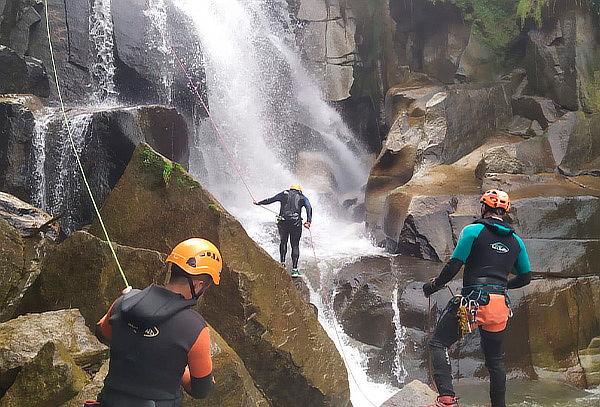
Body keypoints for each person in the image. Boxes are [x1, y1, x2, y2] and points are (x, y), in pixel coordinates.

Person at [422, 190, 532, 407]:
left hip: (474, 302)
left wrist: (433, 286)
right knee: (496, 361)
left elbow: (454, 265)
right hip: (499, 306)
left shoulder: (473, 231)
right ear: (505, 211)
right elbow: (526, 277)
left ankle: (446, 400)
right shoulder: (516, 241)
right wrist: (500, 287)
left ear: (484, 208)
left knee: (439, 343)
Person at [94, 238, 222, 407]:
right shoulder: (195, 328)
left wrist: (129, 301)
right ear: (198, 286)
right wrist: (178, 368)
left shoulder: (125, 302)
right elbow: (200, 390)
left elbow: (102, 333)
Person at [254, 184, 312, 277]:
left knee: (283, 241)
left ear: (291, 189)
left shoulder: (284, 193)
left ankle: (282, 264)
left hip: (283, 222)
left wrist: (259, 203)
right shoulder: (302, 197)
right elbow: (309, 207)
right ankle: (294, 270)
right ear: (299, 191)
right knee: (295, 245)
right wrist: (308, 221)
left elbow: (270, 199)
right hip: (296, 223)